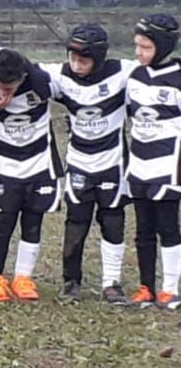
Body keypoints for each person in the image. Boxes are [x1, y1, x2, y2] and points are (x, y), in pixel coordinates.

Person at [46, 24, 135, 303]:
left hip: (113, 163)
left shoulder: (124, 73)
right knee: (76, 221)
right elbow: (18, 68)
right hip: (79, 163)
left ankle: (112, 282)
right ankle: (71, 281)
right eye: (71, 57)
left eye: (83, 59)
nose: (76, 64)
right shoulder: (60, 75)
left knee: (113, 221)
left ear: (99, 58)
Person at [0, 49, 59, 303]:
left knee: (33, 222)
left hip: (40, 164)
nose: (3, 92)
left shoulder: (41, 82)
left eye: (9, 89)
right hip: (8, 166)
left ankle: (23, 277)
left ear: (23, 78)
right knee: (4, 222)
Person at [125, 14, 181, 308]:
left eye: (145, 47)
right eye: (137, 46)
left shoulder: (177, 78)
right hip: (139, 166)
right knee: (143, 230)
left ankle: (170, 288)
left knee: (168, 228)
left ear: (163, 46)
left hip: (169, 167)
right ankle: (146, 287)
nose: (139, 53)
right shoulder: (134, 76)